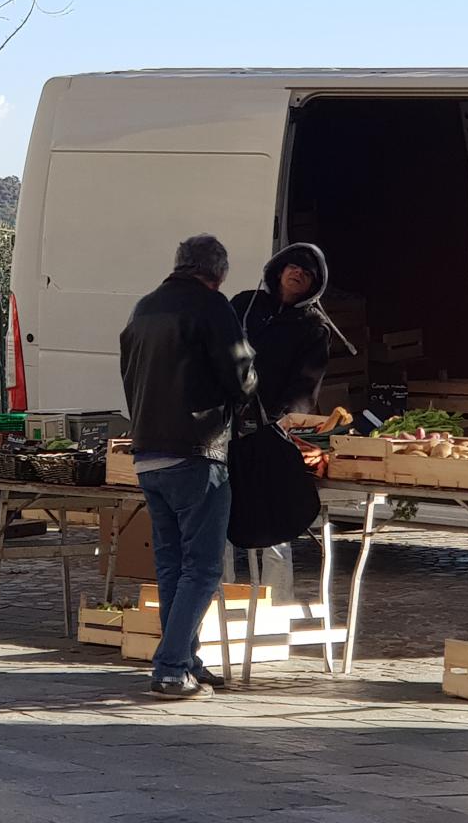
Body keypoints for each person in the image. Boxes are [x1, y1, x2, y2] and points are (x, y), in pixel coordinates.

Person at [119, 234, 256, 698]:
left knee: (172, 565)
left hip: (148, 452)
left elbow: (129, 375)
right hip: (197, 450)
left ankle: (188, 659)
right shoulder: (212, 307)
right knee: (202, 568)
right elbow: (241, 379)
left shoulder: (143, 308)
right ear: (217, 273)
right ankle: (171, 666)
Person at [230, 243, 337, 422]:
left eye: (307, 273)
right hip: (226, 414)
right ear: (280, 271)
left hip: (270, 421)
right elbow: (215, 346)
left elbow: (304, 389)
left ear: (313, 286)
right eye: (293, 267)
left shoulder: (315, 327)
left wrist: (280, 421)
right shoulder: (244, 303)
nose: (298, 273)